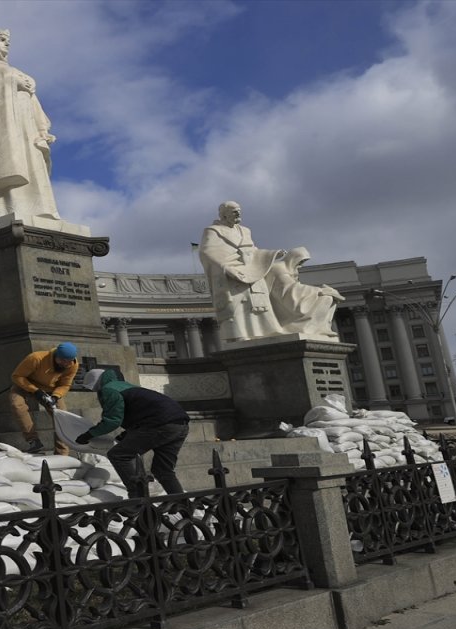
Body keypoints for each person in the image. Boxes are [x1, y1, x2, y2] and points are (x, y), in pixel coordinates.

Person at [0, 29, 61, 227]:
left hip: (26, 130)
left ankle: (39, 209)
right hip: (1, 132)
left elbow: (34, 103)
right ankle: (5, 208)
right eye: (1, 40)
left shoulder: (18, 72)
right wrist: (10, 79)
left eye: (8, 41)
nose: (7, 44)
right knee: (5, 167)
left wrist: (42, 129)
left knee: (32, 167)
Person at [75, 368, 190, 498]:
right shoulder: (126, 386)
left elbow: (112, 421)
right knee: (163, 470)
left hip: (160, 424)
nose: (95, 393)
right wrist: (127, 434)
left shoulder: (108, 389)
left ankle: (137, 498)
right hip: (179, 424)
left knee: (119, 455)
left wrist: (88, 435)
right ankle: (183, 505)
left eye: (94, 389)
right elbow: (139, 412)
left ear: (96, 384)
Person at [198, 201, 285, 344]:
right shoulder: (213, 230)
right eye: (234, 211)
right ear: (224, 214)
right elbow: (207, 251)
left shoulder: (245, 230)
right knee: (237, 305)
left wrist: (272, 254)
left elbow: (253, 251)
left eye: (239, 210)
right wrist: (226, 267)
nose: (238, 213)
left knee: (260, 302)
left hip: (252, 270)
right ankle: (240, 335)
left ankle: (267, 331)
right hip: (231, 273)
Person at [8, 342, 78, 454]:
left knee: (61, 416)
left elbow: (65, 384)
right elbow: (17, 376)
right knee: (17, 405)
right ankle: (33, 440)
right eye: (63, 361)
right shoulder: (36, 358)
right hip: (25, 384)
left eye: (68, 361)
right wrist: (35, 391)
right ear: (56, 356)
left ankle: (62, 453)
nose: (66, 364)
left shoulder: (72, 365)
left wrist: (56, 396)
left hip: (50, 389)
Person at [266, 246, 345, 340]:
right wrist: (319, 291)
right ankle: (302, 327)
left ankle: (319, 328)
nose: (301, 265)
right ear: (293, 258)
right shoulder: (278, 268)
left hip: (292, 296)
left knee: (328, 297)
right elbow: (289, 289)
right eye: (300, 261)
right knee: (326, 296)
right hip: (282, 302)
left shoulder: (290, 269)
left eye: (302, 262)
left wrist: (320, 291)